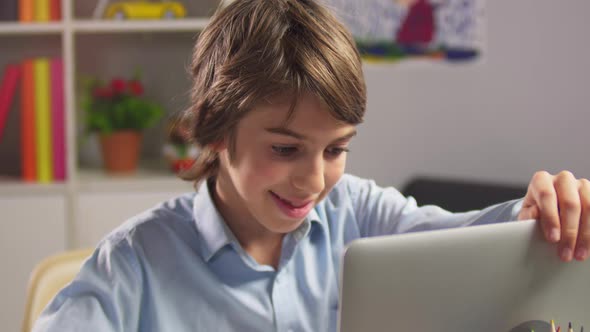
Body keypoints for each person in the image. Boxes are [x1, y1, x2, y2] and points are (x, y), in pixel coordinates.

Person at [33, 0, 589, 331]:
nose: (314, 180)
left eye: (335, 149)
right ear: (217, 130)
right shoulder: (132, 264)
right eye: (284, 148)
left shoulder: (360, 213)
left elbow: (467, 240)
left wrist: (536, 211)